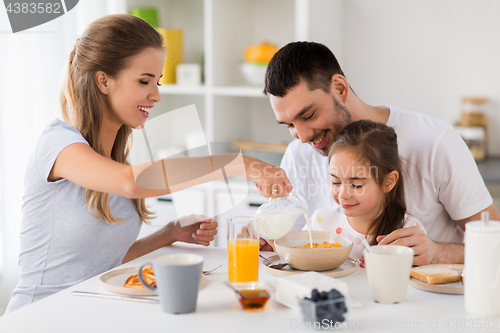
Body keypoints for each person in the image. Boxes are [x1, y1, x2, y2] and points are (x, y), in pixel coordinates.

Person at [6, 14, 290, 313]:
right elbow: (132, 182)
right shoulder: (58, 144)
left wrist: (169, 234)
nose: (156, 95)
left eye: (157, 82)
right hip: (40, 316)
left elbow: (102, 262)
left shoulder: (111, 158)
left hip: (89, 312)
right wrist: (238, 163)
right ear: (103, 80)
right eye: (144, 81)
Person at [261, 41, 499, 265]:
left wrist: (437, 252)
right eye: (290, 125)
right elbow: (295, 250)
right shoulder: (298, 154)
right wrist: (267, 243)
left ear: (339, 88)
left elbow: (495, 243)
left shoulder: (435, 141)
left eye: (308, 115)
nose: (302, 137)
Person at [306, 119, 426, 263]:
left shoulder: (408, 233)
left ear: (388, 182)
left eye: (356, 185)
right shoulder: (320, 224)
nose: (343, 194)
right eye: (336, 182)